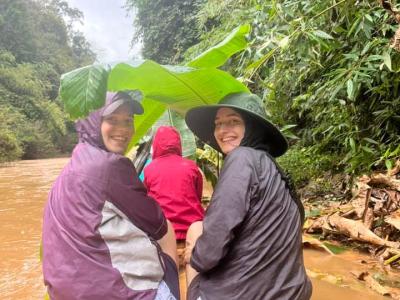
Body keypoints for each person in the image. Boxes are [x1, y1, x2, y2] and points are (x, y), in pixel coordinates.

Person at [42, 91, 179, 300]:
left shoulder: (76, 161)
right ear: (94, 122)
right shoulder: (109, 166)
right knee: (167, 231)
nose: (123, 129)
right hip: (115, 293)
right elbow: (157, 224)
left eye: (128, 121)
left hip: (65, 291)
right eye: (112, 120)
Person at [184, 92, 312, 300]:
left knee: (195, 233)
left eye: (233, 121)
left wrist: (195, 256)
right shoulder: (274, 169)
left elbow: (211, 248)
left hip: (244, 294)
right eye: (218, 124)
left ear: (252, 128)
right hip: (293, 292)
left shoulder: (242, 158)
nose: (222, 130)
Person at [144, 126, 205, 242]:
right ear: (178, 143)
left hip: (164, 235)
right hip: (192, 233)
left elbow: (147, 201)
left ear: (156, 144)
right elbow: (197, 197)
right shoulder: (191, 166)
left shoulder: (149, 169)